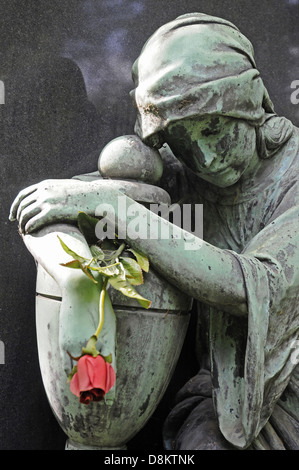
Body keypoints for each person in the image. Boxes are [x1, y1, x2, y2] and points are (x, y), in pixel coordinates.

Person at [10, 13, 299, 449]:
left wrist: (116, 210)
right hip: (223, 398)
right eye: (182, 139)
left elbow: (249, 285)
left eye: (215, 128)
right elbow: (52, 207)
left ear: (254, 100)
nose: (204, 156)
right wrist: (76, 282)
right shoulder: (192, 180)